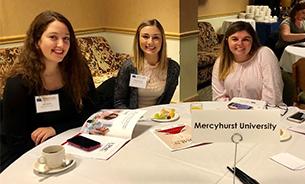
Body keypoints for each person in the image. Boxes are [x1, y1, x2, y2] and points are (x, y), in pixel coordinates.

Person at [0, 11, 97, 172]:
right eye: (53, 37)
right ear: (37, 41)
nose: (61, 44)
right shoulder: (18, 82)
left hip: (69, 144)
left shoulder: (79, 71)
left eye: (66, 38)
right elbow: (15, 140)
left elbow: (91, 112)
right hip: (29, 152)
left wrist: (55, 129)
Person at [212, 21, 283, 105]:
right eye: (235, 39)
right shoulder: (221, 61)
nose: (240, 44)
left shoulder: (265, 54)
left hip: (264, 113)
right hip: (232, 113)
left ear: (252, 41)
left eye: (246, 39)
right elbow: (218, 98)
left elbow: (272, 97)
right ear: (227, 40)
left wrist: (252, 113)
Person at [114, 19, 180, 109]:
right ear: (138, 39)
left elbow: (165, 102)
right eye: (145, 37)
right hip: (132, 117)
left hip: (157, 117)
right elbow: (119, 102)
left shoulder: (173, 68)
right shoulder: (129, 67)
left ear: (162, 41)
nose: (150, 42)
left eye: (156, 37)